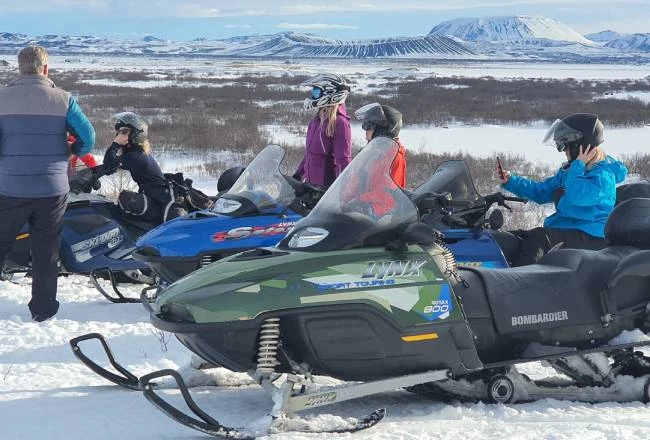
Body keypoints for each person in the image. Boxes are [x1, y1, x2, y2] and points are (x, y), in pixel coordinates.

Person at [0, 45, 95, 322]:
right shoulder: (64, 100)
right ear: (45, 68)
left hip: (9, 186)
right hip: (52, 189)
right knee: (46, 250)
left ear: (19, 68)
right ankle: (42, 309)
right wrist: (73, 151)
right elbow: (87, 138)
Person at [495, 113, 628, 266]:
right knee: (514, 239)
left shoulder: (603, 175)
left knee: (539, 238)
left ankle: (516, 284)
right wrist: (511, 180)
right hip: (567, 230)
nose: (563, 150)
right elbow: (542, 191)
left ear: (580, 145)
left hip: (592, 236)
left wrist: (577, 166)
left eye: (566, 146)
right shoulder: (570, 172)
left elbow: (577, 196)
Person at [103, 112, 182, 224]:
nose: (119, 135)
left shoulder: (135, 156)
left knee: (125, 199)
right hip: (154, 198)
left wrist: (115, 144)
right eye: (119, 131)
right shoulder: (137, 153)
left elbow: (108, 166)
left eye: (124, 131)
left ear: (136, 134)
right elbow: (109, 165)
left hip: (158, 202)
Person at [347, 103, 407, 218]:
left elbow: (387, 192)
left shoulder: (393, 155)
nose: (365, 132)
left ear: (382, 129)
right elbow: (356, 181)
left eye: (369, 126)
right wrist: (340, 199)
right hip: (365, 205)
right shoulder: (371, 152)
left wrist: (359, 201)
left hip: (383, 212)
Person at [293, 73, 352, 187]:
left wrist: (343, 189)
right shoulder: (316, 121)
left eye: (316, 92)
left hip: (326, 188)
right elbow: (310, 155)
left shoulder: (340, 123)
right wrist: (298, 175)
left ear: (329, 93)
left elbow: (343, 160)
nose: (313, 95)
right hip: (310, 187)